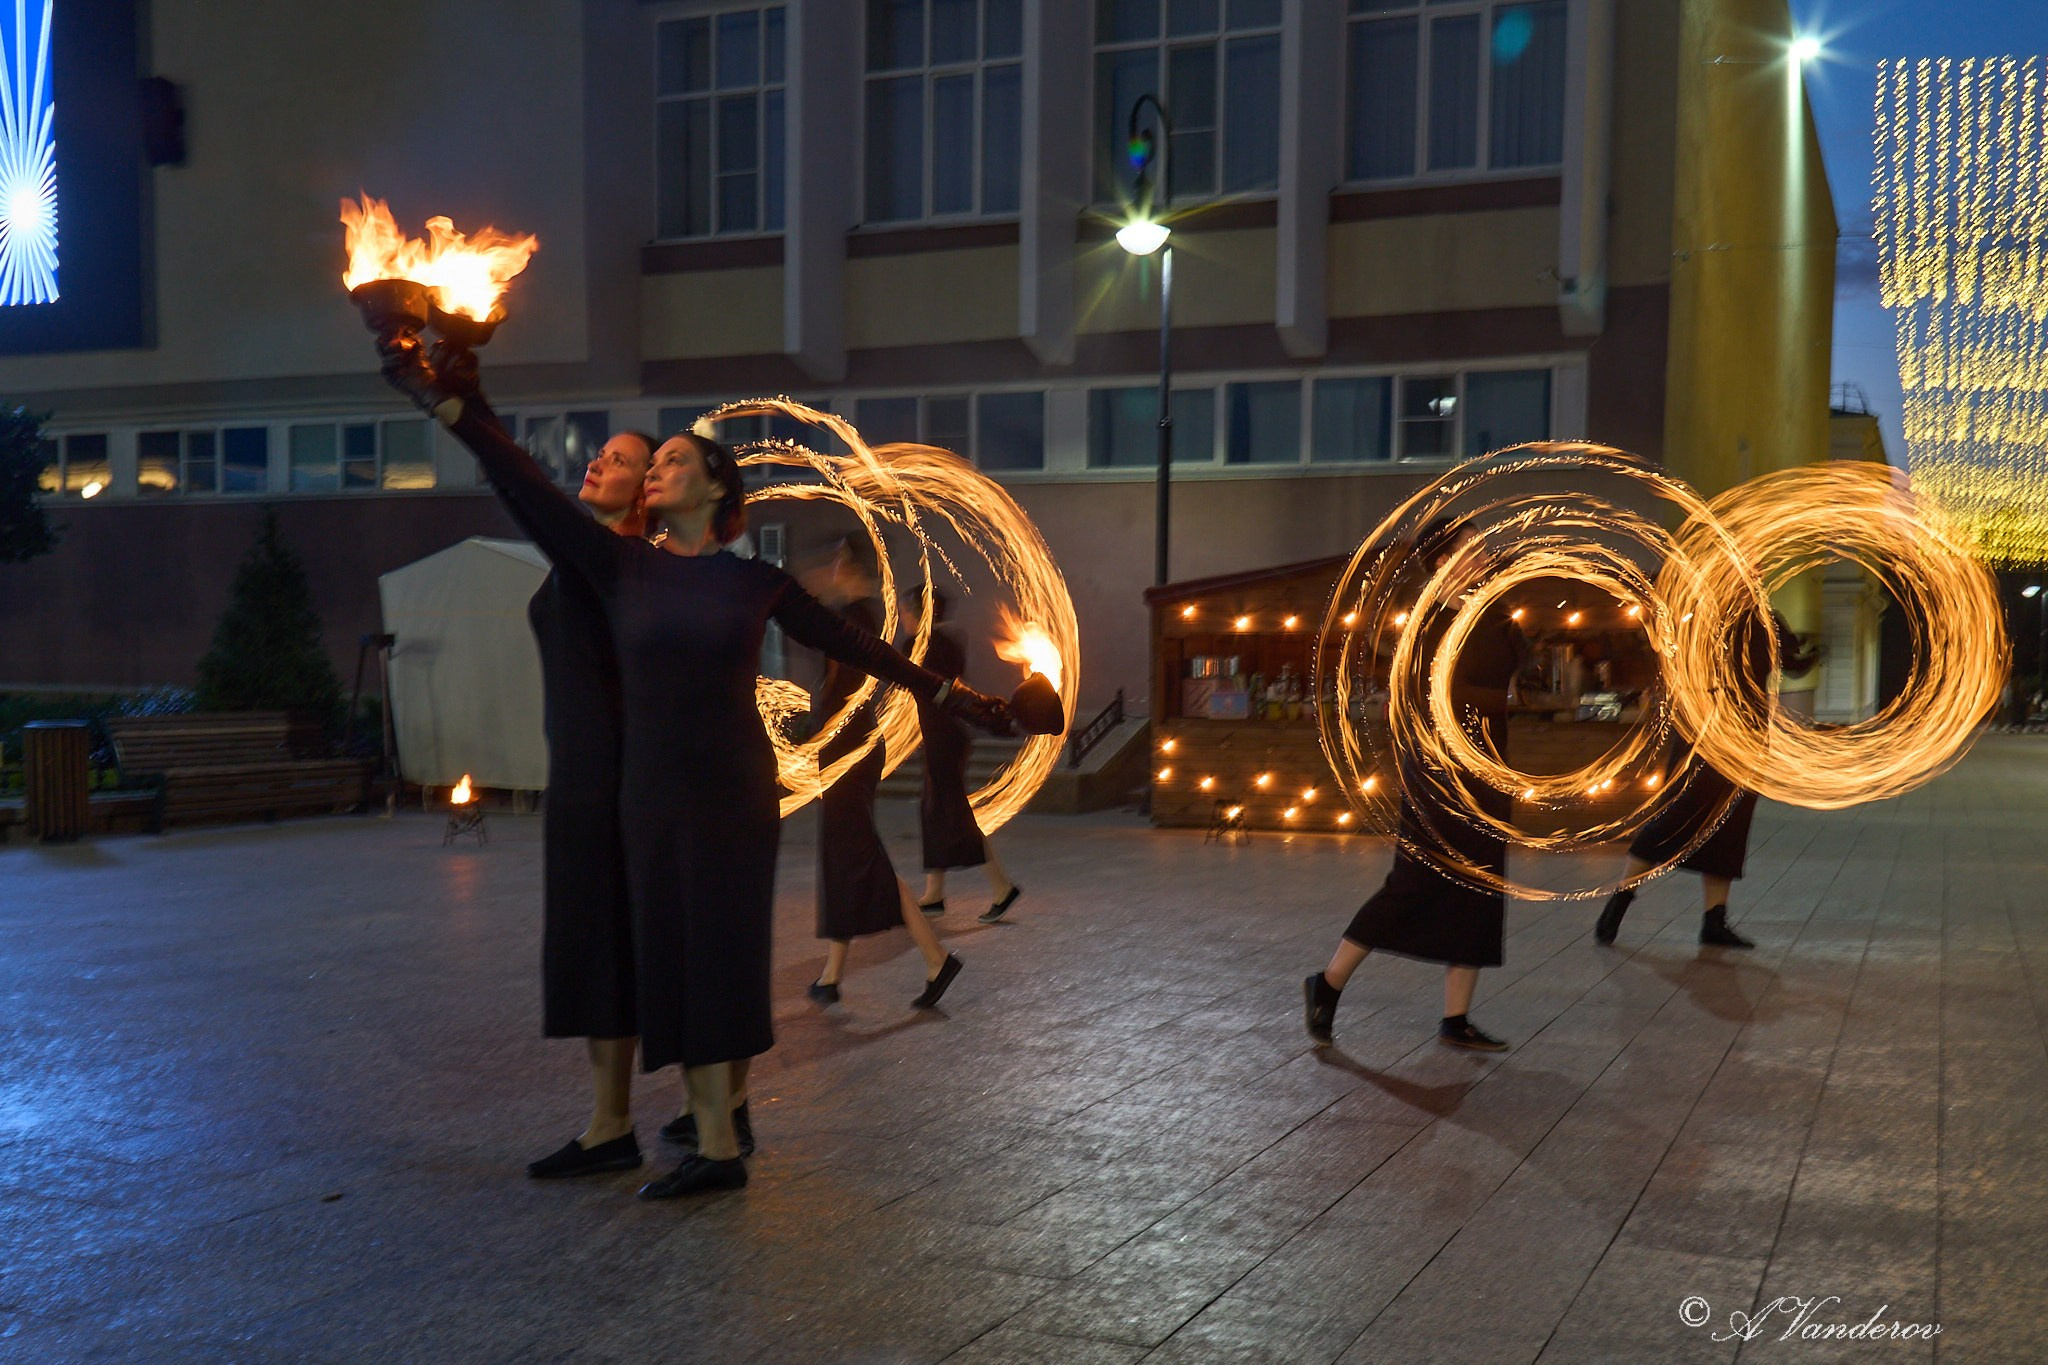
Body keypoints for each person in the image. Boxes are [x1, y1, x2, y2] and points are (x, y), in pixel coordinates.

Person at [375, 335, 1007, 1199]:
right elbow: (523, 488)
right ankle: (701, 1136)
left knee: (718, 954)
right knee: (668, 956)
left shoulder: (756, 582)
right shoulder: (618, 565)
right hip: (648, 794)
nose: (655, 471)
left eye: (674, 460)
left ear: (716, 486)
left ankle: (717, 1142)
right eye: (654, 462)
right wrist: (456, 408)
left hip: (732, 792)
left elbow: (855, 642)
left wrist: (949, 693)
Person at [1304, 518, 1526, 1053]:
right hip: (1437, 773)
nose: (1481, 553)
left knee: (1479, 888)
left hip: (1487, 770)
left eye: (1482, 544)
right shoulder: (1427, 624)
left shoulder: (1494, 616)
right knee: (1413, 882)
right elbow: (1431, 699)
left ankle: (1456, 1019)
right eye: (1468, 547)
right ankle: (1328, 983)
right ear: (1441, 561)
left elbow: (1513, 684)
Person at [519, 431, 662, 1182]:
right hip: (581, 771)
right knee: (594, 939)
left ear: (646, 493)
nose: (597, 461)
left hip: (607, 773)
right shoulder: (594, 554)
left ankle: (615, 1123)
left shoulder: (615, 560)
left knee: (608, 940)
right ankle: (616, 1117)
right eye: (599, 451)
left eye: (619, 459)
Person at [1594, 611, 1816, 949]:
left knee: (1729, 825)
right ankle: (1620, 901)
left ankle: (1714, 920)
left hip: (1746, 735)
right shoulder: (1705, 616)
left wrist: (1806, 652)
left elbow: (1787, 661)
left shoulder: (1764, 616)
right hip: (1709, 732)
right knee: (1676, 816)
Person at [805, 543, 965, 1009]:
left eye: (837, 559)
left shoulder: (854, 618)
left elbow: (840, 686)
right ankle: (832, 974)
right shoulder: (859, 615)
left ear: (850, 567)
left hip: (848, 747)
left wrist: (817, 732)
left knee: (857, 854)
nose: (830, 567)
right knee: (845, 855)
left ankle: (935, 958)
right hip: (850, 745)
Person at [899, 585, 1020, 924]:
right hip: (949, 736)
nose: (903, 618)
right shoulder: (950, 641)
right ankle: (934, 893)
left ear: (920, 614)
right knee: (934, 811)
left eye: (907, 611)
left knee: (953, 813)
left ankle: (1001, 887)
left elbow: (902, 675)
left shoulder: (919, 646)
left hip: (942, 739)